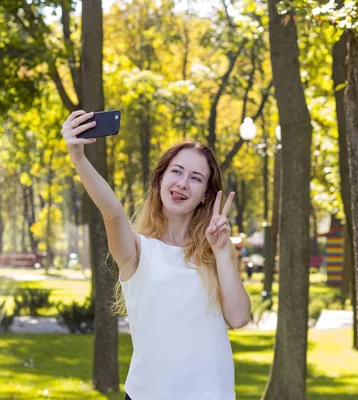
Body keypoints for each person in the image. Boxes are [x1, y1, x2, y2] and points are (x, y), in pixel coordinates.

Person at [61, 110, 252, 400]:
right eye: (176, 171)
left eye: (196, 178)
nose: (182, 183)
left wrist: (223, 251)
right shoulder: (136, 250)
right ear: (160, 178)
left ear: (205, 195)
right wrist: (79, 159)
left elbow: (238, 318)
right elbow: (112, 213)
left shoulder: (214, 253)